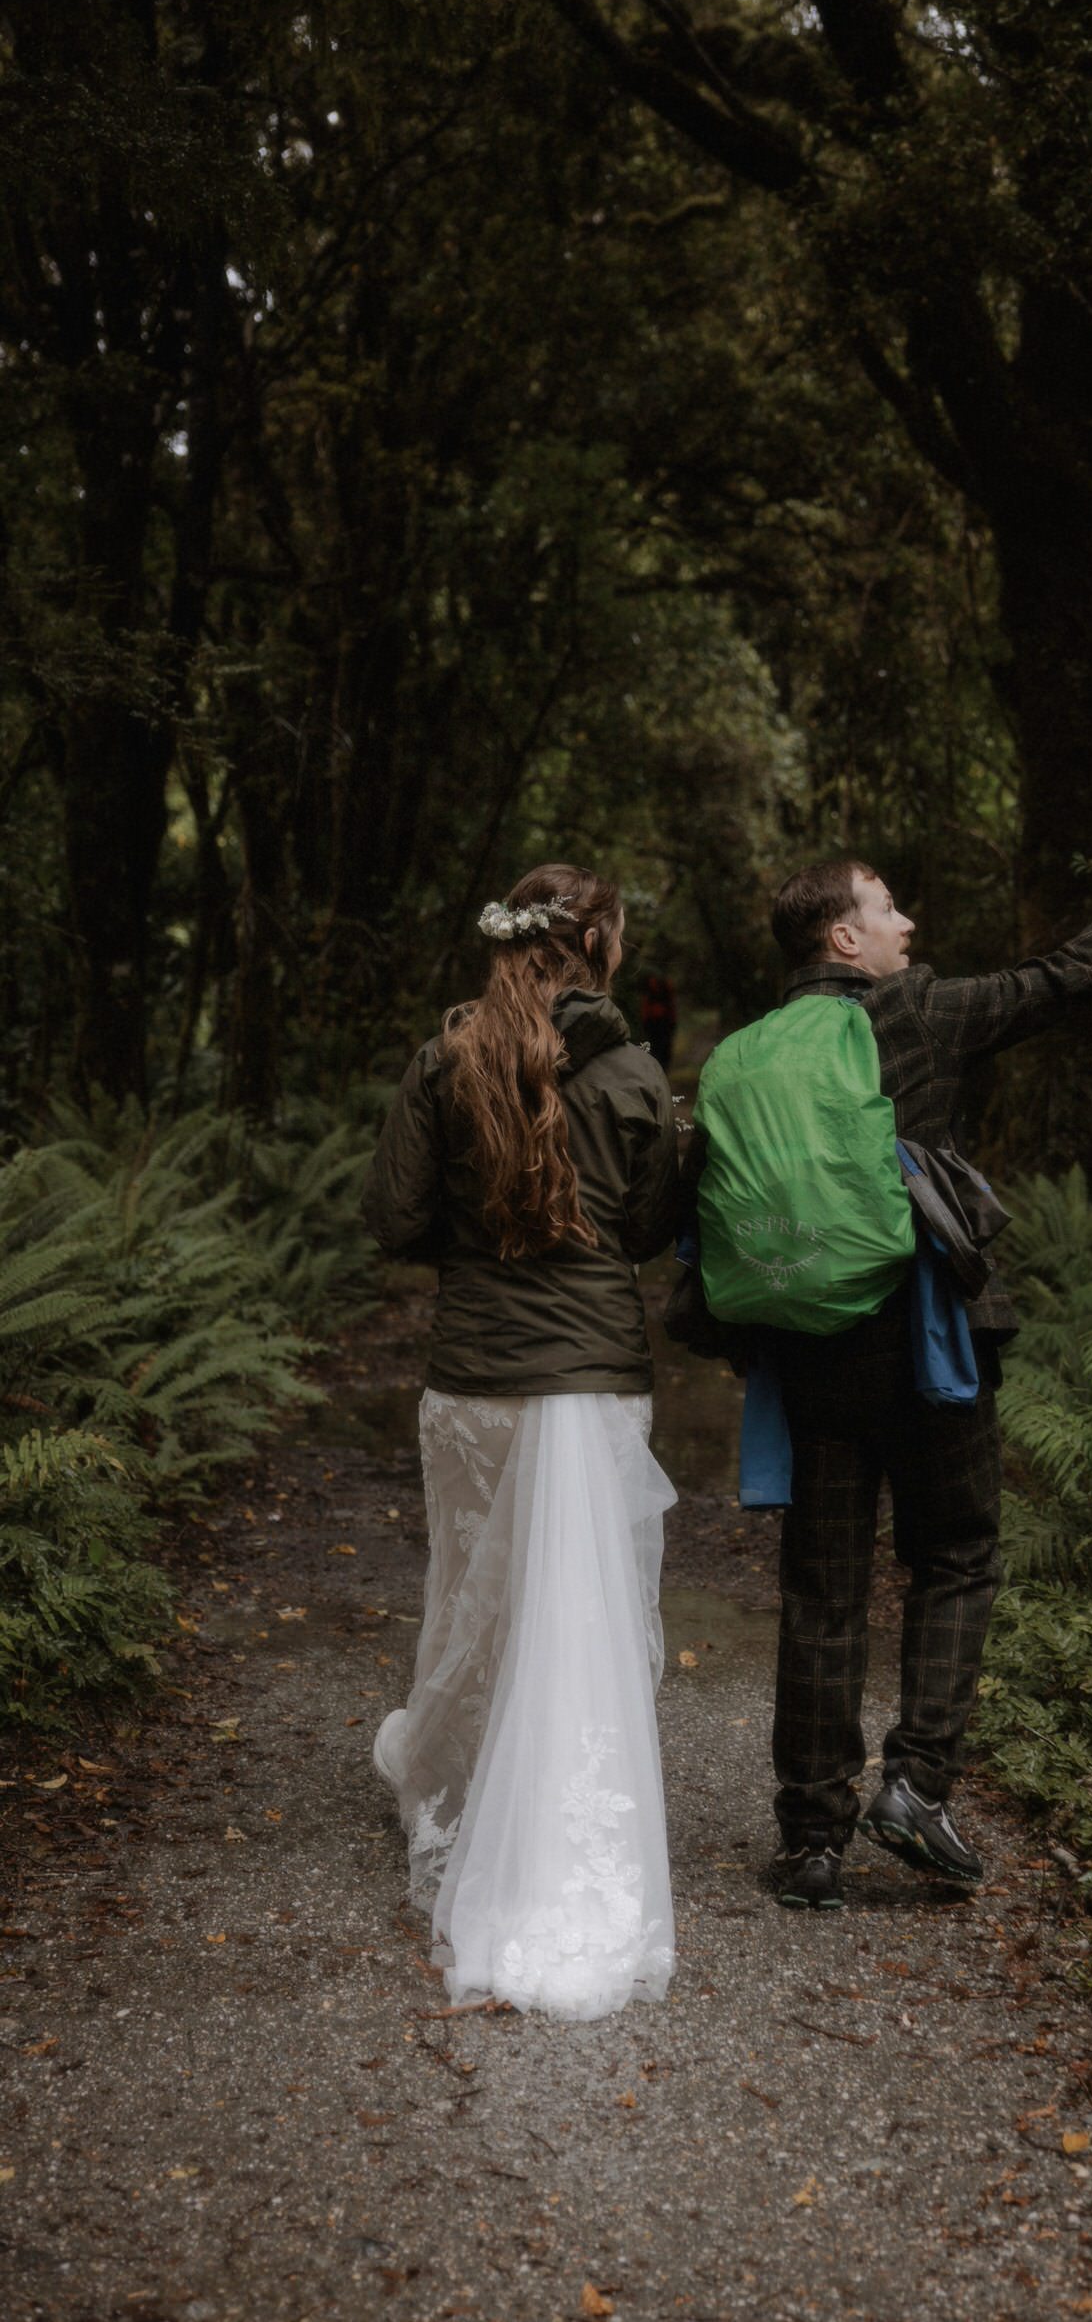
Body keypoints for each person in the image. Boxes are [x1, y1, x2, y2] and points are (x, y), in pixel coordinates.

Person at [759, 771, 1092, 1909]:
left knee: (823, 1588)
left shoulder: (760, 1044)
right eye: (887, 908)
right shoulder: (916, 1009)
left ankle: (811, 1835)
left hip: (814, 1346)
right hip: (935, 1336)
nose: (906, 925)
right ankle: (916, 1784)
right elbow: (1065, 976)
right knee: (957, 1554)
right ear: (845, 933)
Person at [360, 863, 681, 2020]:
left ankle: (447, 1783)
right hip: (594, 1383)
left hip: (479, 1383)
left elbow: (393, 1220)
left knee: (471, 1589)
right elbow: (647, 1230)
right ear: (594, 945)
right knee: (578, 1605)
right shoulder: (637, 1074)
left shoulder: (444, 1062)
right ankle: (552, 1808)